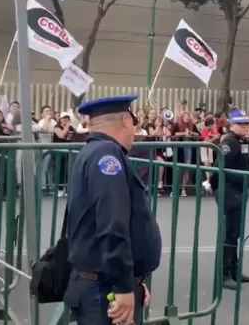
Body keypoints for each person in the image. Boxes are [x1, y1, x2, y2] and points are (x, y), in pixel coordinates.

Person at [64, 95, 162, 325]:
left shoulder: (95, 151)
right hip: (103, 288)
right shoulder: (107, 155)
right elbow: (112, 224)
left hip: (103, 282)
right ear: (126, 120)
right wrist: (123, 286)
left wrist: (133, 281)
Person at [213, 108, 249, 290]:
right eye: (241, 124)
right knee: (229, 233)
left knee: (235, 232)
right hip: (229, 192)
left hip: (239, 191)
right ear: (232, 125)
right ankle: (225, 274)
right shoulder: (229, 143)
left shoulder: (240, 141)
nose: (246, 127)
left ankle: (234, 270)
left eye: (247, 124)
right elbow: (218, 168)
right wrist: (216, 187)